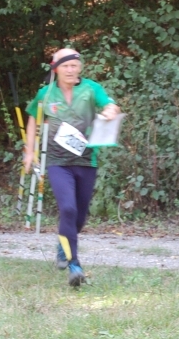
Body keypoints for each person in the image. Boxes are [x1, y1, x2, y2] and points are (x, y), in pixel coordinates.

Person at [24, 48, 120, 286]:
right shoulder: (46, 94)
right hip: (58, 163)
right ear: (55, 69)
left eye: (74, 65)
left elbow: (109, 105)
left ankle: (63, 243)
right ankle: (74, 264)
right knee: (68, 208)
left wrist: (110, 110)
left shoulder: (90, 89)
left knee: (79, 217)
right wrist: (29, 151)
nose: (70, 70)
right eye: (65, 66)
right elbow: (33, 118)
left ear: (80, 68)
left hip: (86, 161)